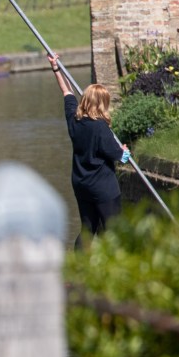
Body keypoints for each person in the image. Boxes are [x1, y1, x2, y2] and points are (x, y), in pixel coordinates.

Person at [49, 54, 130, 248]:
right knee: (113, 228)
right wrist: (124, 150)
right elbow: (119, 156)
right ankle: (115, 268)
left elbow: (66, 92)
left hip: (81, 184)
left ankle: (79, 268)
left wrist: (56, 69)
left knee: (88, 228)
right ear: (102, 104)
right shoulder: (100, 128)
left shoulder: (74, 120)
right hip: (103, 187)